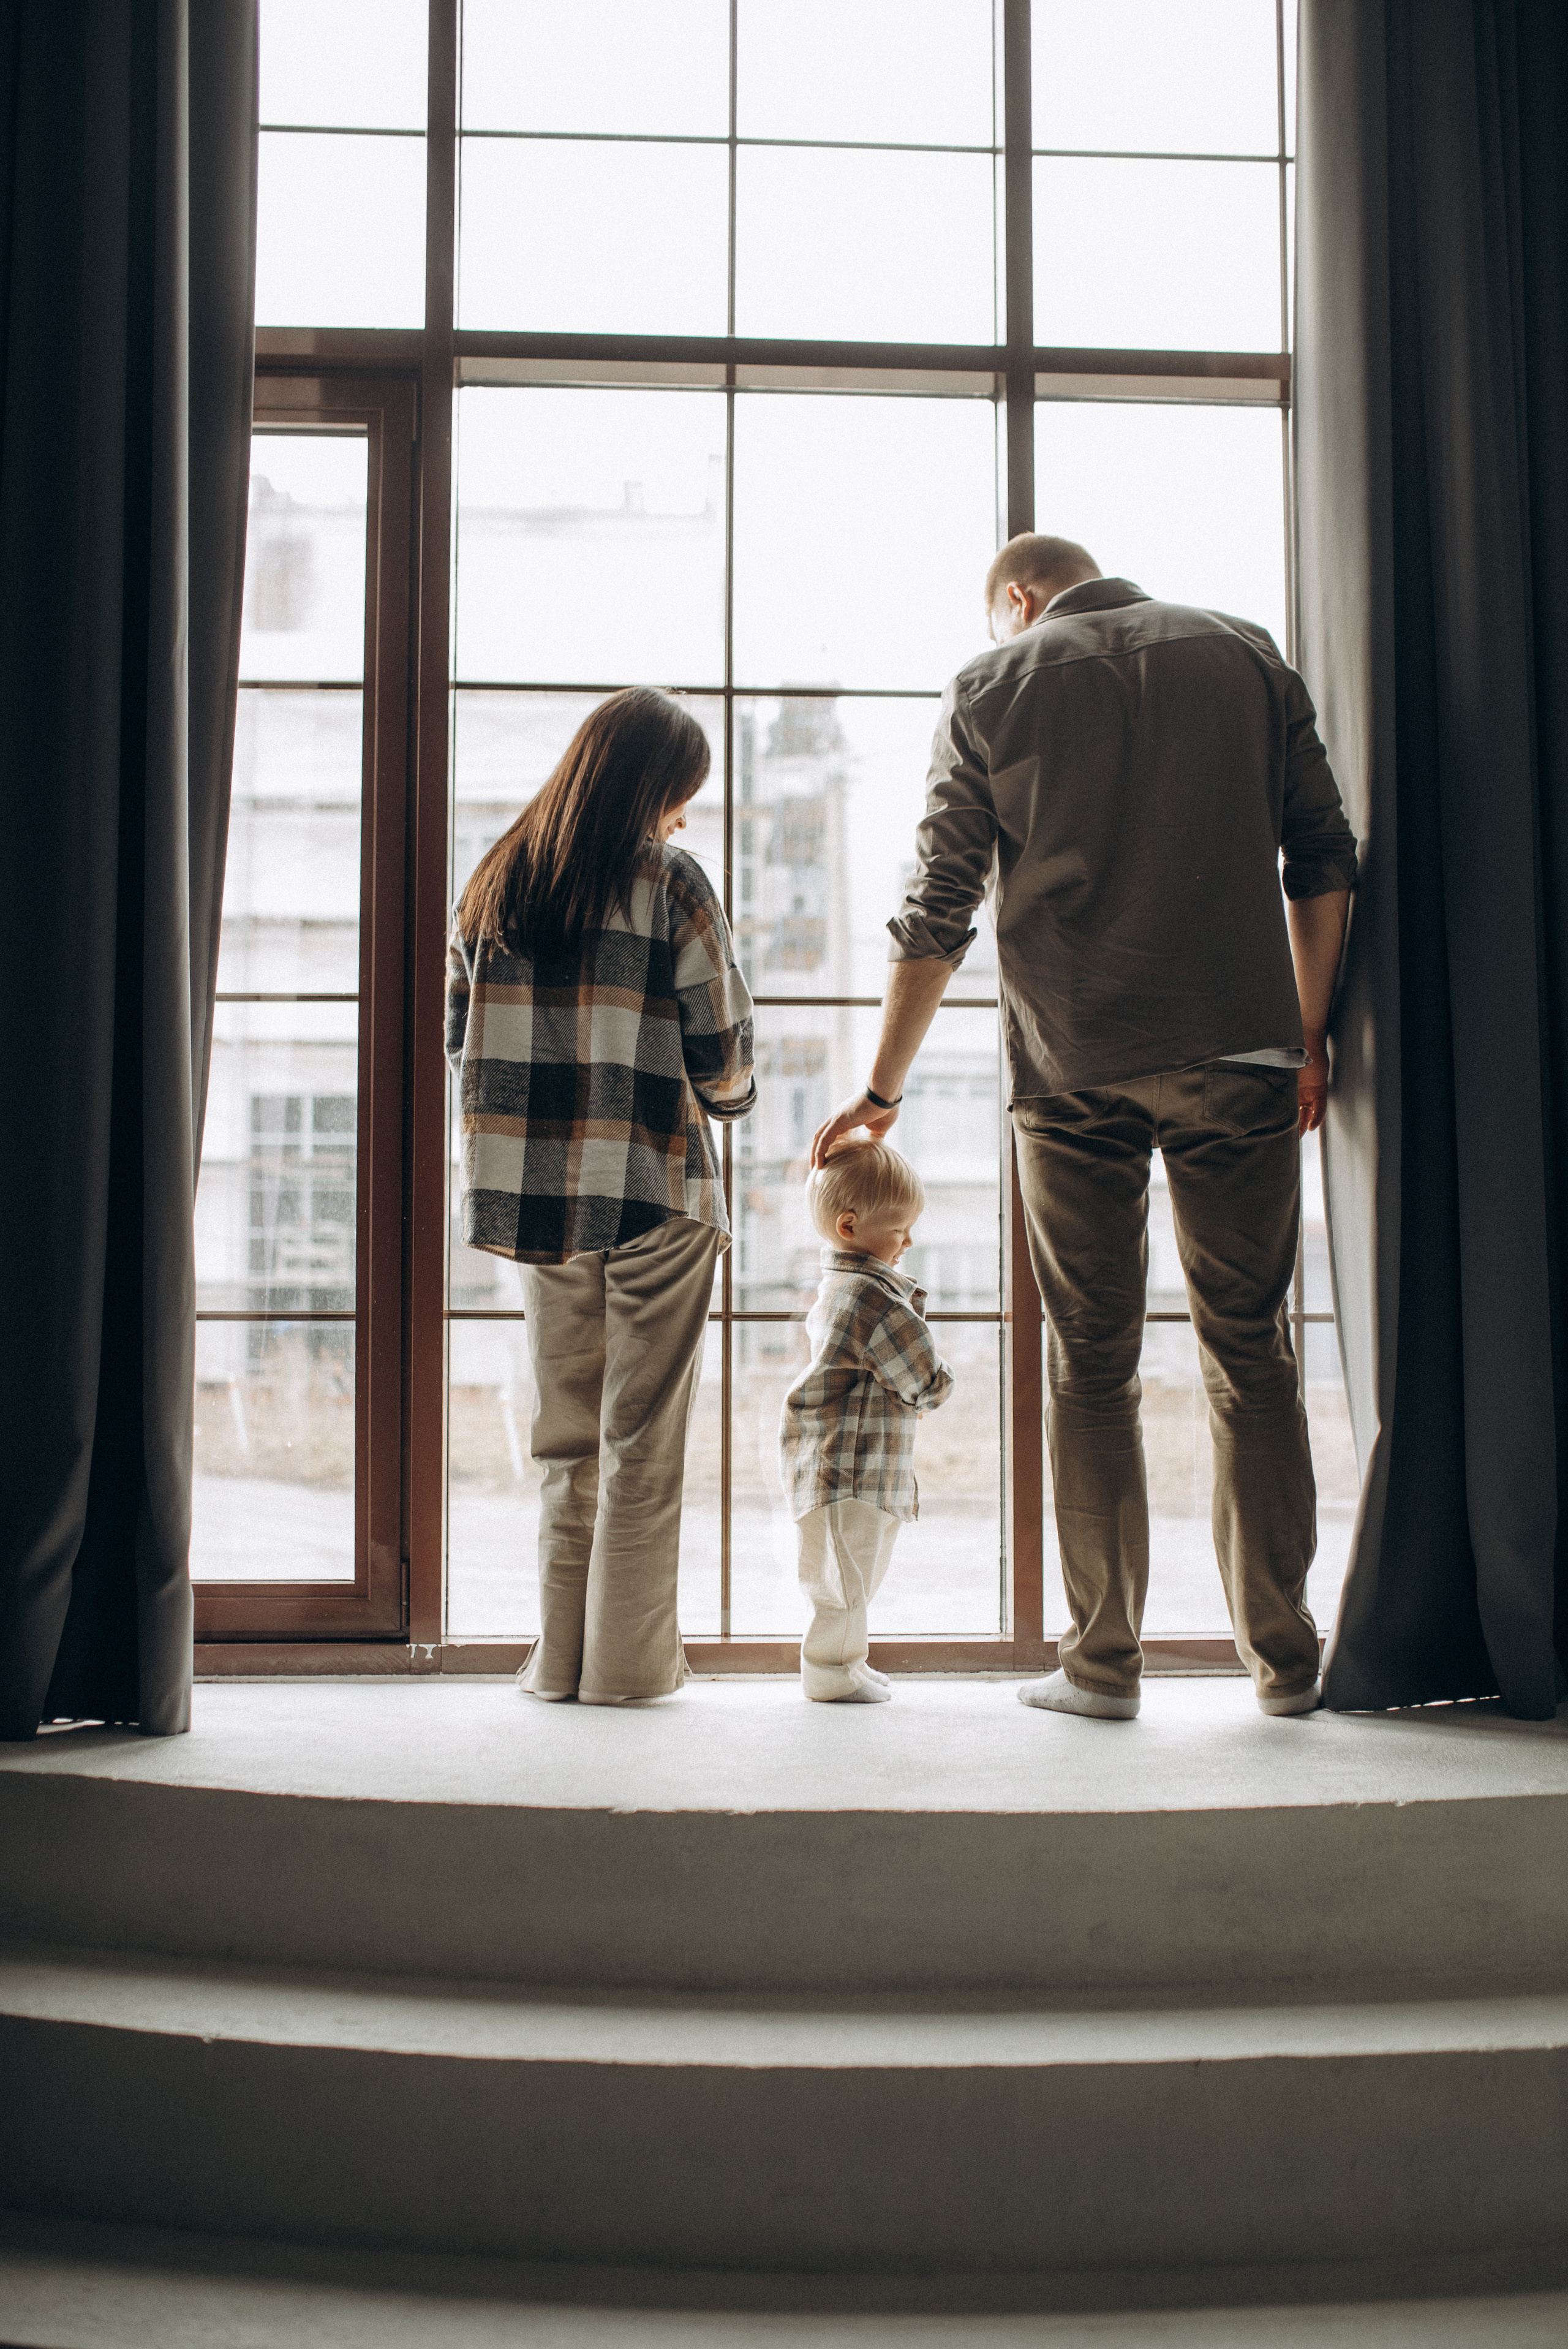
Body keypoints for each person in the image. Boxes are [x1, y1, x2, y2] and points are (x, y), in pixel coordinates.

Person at [812, 535, 1358, 1723]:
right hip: (1241, 1052)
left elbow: (936, 906)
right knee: (1250, 1352)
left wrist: (882, 1090)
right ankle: (1284, 1664)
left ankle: (1103, 1668)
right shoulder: (1245, 654)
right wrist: (1305, 1035)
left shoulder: (989, 683)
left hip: (1071, 1069)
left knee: (1092, 1365)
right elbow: (1322, 857)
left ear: (1016, 600)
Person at [446, 688, 755, 1706]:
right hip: (654, 1188)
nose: (681, 813)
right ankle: (627, 1672)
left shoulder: (498, 873)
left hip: (534, 1203)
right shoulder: (669, 878)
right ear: (654, 784)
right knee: (642, 1443)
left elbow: (461, 1041)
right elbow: (721, 1050)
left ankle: (557, 1666)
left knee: (565, 1441)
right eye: (681, 792)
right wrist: (734, 1096)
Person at [780, 1138, 953, 1703]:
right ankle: (831, 1673)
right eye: (899, 1227)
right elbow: (927, 1380)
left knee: (853, 1576)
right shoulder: (871, 1299)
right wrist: (939, 1379)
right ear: (851, 1226)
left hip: (853, 1469)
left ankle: (847, 1661)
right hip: (850, 1473)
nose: (909, 1240)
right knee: (845, 1582)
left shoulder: (842, 1289)